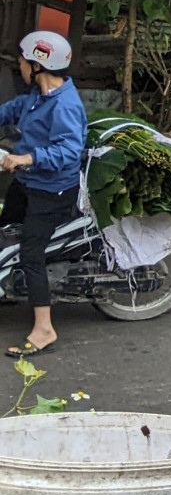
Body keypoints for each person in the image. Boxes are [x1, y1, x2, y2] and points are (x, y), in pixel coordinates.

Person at [1, 32, 86, 357]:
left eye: (23, 62)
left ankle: (44, 329)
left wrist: (27, 157)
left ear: (38, 65)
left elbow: (68, 151)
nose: (20, 67)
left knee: (30, 253)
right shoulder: (40, 93)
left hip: (51, 191)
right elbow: (18, 109)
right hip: (27, 182)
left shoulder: (64, 105)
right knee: (7, 228)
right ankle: (11, 283)